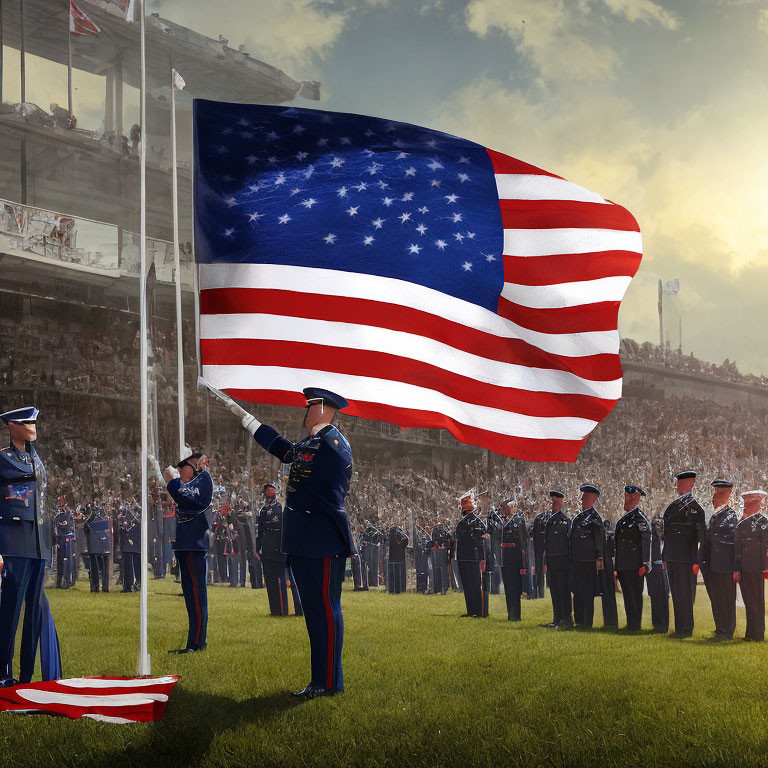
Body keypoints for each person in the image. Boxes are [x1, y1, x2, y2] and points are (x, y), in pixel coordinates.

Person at [225, 387, 354, 699]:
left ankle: (328, 682)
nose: (305, 412)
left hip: (322, 538)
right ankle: (320, 680)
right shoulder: (312, 444)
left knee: (325, 609)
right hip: (304, 539)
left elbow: (332, 473)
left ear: (324, 409)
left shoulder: (333, 443)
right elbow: (282, 448)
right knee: (313, 611)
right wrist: (248, 420)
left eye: (310, 407)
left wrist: (314, 444)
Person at [0, 406, 62, 687]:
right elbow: (30, 478)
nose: (32, 425)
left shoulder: (35, 459)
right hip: (14, 541)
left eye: (34, 421)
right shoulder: (5, 459)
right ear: (12, 426)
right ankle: (3, 672)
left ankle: (26, 676)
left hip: (38, 543)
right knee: (10, 611)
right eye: (26, 422)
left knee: (34, 611)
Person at [164, 448, 213, 654]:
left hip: (195, 545)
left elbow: (183, 496)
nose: (180, 471)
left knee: (197, 595)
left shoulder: (204, 480)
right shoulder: (188, 483)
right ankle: (192, 642)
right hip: (185, 544)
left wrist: (172, 482)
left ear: (193, 465)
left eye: (182, 467)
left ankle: (198, 643)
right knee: (190, 596)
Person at [662, 470, 706, 637]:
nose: (678, 485)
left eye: (682, 482)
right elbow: (668, 534)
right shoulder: (673, 506)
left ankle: (686, 629)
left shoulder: (696, 509)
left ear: (691, 484)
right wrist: (665, 556)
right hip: (673, 557)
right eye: (678, 482)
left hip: (686, 559)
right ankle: (680, 627)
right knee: (676, 594)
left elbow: (701, 537)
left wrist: (697, 561)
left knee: (686, 595)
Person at [256, 483, 301, 616]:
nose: (270, 492)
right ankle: (277, 610)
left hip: (283, 546)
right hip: (269, 546)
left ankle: (297, 609)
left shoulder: (282, 506)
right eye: (268, 490)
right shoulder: (264, 509)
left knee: (292, 581)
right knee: (272, 580)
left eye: (272, 489)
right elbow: (261, 530)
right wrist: (258, 549)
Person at [704, 479, 738, 641]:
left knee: (726, 599)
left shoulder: (731, 516)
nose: (714, 497)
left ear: (726, 496)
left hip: (725, 565)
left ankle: (727, 631)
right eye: (715, 493)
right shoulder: (716, 516)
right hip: (714, 564)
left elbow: (733, 540)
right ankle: (720, 628)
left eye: (718, 494)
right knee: (717, 599)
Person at [614, 485, 651, 631]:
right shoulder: (623, 520)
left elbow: (646, 541)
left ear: (636, 499)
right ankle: (631, 623)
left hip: (635, 564)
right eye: (625, 497)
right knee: (627, 595)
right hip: (623, 564)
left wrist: (644, 563)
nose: (626, 500)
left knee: (635, 595)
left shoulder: (640, 519)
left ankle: (635, 624)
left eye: (629, 498)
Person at [733, 490, 768, 642]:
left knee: (757, 601)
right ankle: (750, 633)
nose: (747, 506)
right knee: (748, 601)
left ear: (758, 504)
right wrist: (736, 568)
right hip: (744, 568)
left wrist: (766, 567)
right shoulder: (742, 523)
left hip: (757, 567)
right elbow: (737, 549)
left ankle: (758, 634)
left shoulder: (764, 522)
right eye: (747, 503)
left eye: (751, 503)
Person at [569, 483, 605, 629]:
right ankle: (579, 619)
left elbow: (599, 539)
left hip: (589, 560)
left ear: (594, 499)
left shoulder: (595, 518)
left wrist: (599, 558)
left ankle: (587, 621)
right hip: (577, 559)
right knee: (577, 590)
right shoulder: (578, 517)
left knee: (588, 591)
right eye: (583, 497)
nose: (583, 499)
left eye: (586, 497)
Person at [453, 491, 487, 617]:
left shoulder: (474, 523)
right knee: (470, 584)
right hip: (467, 557)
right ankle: (472, 610)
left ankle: (476, 610)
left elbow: (481, 538)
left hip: (471, 557)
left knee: (473, 584)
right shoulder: (463, 523)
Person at [542, 489, 572, 629]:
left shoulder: (565, 521)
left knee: (563, 591)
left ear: (561, 502)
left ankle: (566, 618)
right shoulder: (548, 520)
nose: (552, 504)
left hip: (563, 562)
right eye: (551, 501)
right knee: (554, 591)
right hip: (552, 561)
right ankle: (557, 618)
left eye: (555, 502)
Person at [499, 500, 527, 621]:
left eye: (505, 506)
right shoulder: (501, 521)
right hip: (504, 557)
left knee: (515, 588)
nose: (503, 508)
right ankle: (510, 613)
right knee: (508, 587)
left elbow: (523, 540)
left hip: (515, 557)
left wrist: (523, 560)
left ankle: (516, 615)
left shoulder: (518, 520)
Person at [646, 509, 670, 633]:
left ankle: (663, 623)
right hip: (652, 565)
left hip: (661, 565)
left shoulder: (660, 524)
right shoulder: (648, 524)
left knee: (663, 594)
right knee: (654, 594)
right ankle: (657, 623)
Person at [532, 495, 555, 599]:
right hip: (540, 546)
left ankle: (552, 588)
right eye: (543, 505)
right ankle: (540, 592)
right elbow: (535, 534)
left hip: (550, 545)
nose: (545, 506)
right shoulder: (538, 518)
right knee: (539, 570)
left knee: (552, 568)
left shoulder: (552, 518)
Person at [84, 502, 111, 593]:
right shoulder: (97, 520)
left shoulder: (102, 519)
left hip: (99, 545)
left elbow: (86, 529)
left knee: (100, 568)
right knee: (99, 568)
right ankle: (99, 587)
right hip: (97, 545)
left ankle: (99, 587)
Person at [54, 497, 75, 589]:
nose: (61, 508)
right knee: (60, 561)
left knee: (67, 560)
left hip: (67, 540)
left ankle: (67, 581)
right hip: (60, 540)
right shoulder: (57, 517)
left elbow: (68, 527)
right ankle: (59, 581)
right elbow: (56, 528)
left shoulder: (69, 517)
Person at [119, 505, 141, 593]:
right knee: (127, 566)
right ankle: (127, 586)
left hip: (136, 545)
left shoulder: (139, 518)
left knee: (136, 566)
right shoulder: (125, 516)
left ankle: (136, 584)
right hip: (127, 545)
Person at [430, 522, 451, 595]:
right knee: (440, 569)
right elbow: (435, 540)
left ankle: (443, 588)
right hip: (439, 551)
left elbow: (448, 539)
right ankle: (440, 588)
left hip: (441, 552)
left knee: (442, 570)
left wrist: (443, 546)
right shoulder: (438, 531)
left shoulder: (443, 531)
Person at [486, 505, 503, 595]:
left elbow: (500, 530)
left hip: (498, 546)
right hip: (491, 546)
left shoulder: (500, 521)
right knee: (491, 566)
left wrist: (495, 523)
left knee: (499, 564)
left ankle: (500, 585)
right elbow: (487, 530)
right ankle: (492, 588)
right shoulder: (489, 522)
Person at [387, 525, 408, 594]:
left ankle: (392, 590)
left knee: (393, 575)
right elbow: (406, 539)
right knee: (398, 576)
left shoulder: (390, 535)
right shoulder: (400, 535)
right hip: (399, 558)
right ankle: (399, 590)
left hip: (392, 558)